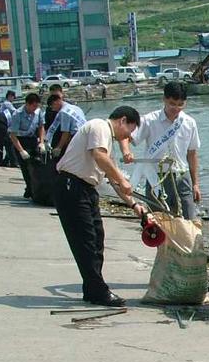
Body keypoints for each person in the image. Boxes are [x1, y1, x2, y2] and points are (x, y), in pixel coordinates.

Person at [54, 106, 143, 307]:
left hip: (86, 189)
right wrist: (122, 178)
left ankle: (92, 288)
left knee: (96, 238)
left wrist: (134, 205)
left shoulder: (106, 141)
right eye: (128, 131)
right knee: (86, 241)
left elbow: (113, 179)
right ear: (122, 120)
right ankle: (98, 290)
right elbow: (99, 157)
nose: (126, 137)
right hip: (72, 186)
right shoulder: (99, 126)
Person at [127, 81, 201, 219]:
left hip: (181, 176)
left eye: (180, 104)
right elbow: (128, 136)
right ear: (164, 99)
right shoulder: (149, 120)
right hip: (156, 177)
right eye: (172, 104)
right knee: (160, 221)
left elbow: (192, 154)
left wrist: (196, 184)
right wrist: (126, 151)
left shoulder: (189, 122)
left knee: (189, 219)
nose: (176, 108)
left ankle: (187, 241)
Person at [7, 93, 45, 199]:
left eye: (37, 106)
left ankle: (35, 188)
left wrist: (41, 142)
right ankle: (30, 189)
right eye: (33, 106)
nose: (35, 109)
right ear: (27, 104)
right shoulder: (17, 114)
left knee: (38, 165)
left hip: (33, 139)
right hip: (20, 140)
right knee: (25, 167)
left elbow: (41, 127)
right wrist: (21, 151)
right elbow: (13, 135)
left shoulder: (38, 112)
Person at [43, 94, 86, 159]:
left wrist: (59, 148)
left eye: (52, 106)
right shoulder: (75, 107)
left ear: (57, 102)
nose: (53, 109)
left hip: (76, 138)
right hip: (85, 135)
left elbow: (66, 133)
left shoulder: (64, 112)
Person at [0, 90, 18, 167]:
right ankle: (13, 162)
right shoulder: (7, 103)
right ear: (10, 96)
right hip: (1, 123)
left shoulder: (3, 104)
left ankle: (0, 162)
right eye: (13, 97)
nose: (13, 99)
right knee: (9, 143)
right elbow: (15, 112)